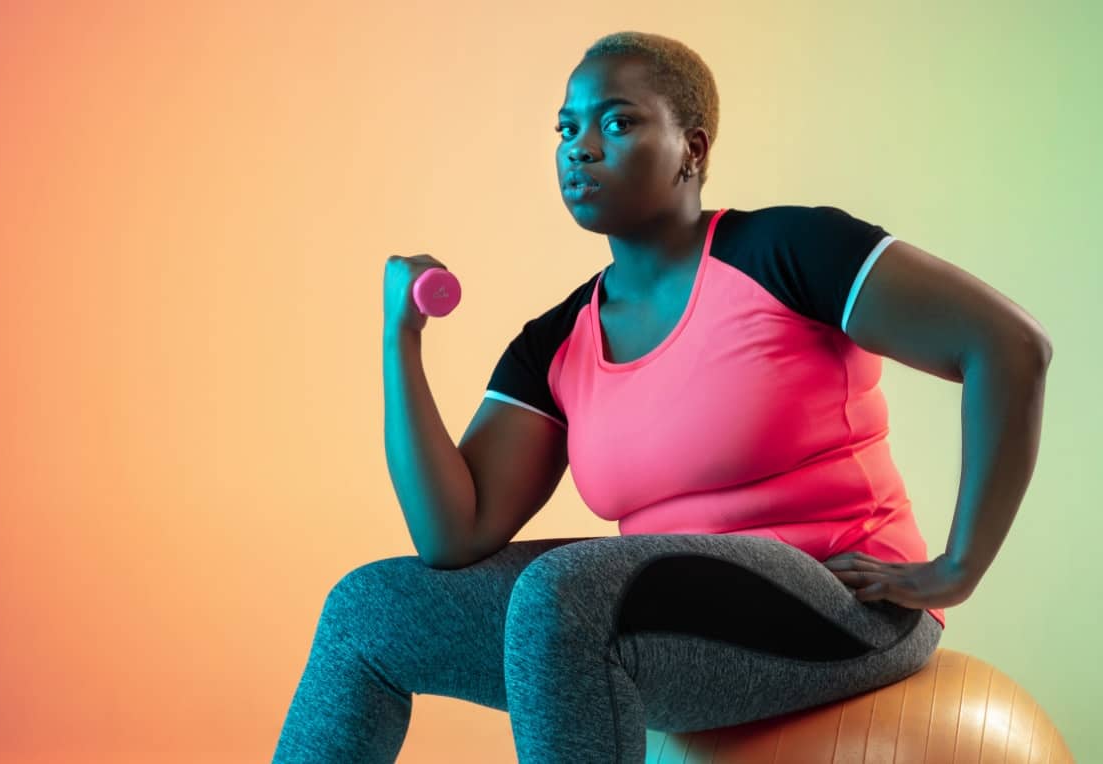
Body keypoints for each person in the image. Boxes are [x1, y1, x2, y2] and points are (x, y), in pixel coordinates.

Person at [273, 30, 1052, 764]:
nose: (580, 146)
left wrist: (958, 566)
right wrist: (399, 338)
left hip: (844, 606)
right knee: (365, 610)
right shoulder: (557, 340)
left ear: (692, 148)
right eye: (566, 127)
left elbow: (1008, 347)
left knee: (563, 594)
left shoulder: (785, 251)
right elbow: (455, 534)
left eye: (616, 122)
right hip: (661, 623)